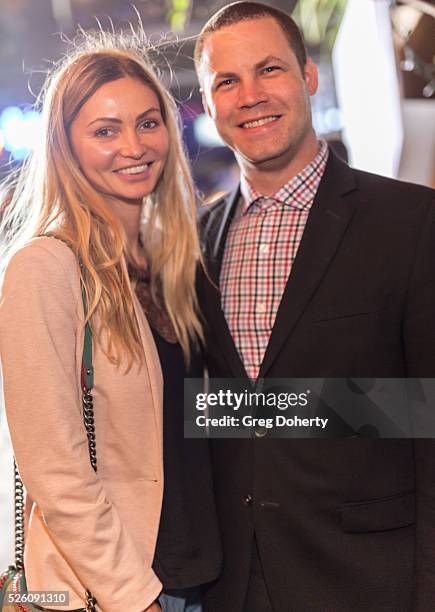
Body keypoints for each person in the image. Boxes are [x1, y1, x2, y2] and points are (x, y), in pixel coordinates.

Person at [194, 2, 435, 611]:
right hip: (232, 580)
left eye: (269, 69)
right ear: (208, 102)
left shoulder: (412, 223)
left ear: (308, 76)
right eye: (227, 81)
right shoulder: (192, 245)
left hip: (370, 578)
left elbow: (428, 414)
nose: (250, 95)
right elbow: (212, 410)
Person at [0, 30, 220, 612]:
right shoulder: (47, 265)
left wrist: (367, 411)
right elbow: (55, 465)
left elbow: (193, 417)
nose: (134, 145)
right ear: (65, 144)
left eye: (148, 123)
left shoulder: (167, 258)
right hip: (121, 588)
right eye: (105, 129)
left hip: (197, 572)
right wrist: (132, 596)